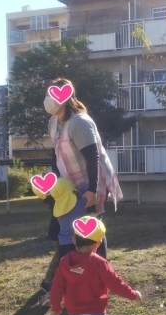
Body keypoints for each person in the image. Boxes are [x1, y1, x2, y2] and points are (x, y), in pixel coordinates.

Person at [42, 78, 123, 290]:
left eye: (52, 95)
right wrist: (54, 187)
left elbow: (93, 156)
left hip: (90, 183)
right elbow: (55, 156)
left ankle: (100, 279)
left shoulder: (79, 122)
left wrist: (92, 191)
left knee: (92, 231)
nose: (48, 99)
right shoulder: (54, 122)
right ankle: (62, 281)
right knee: (65, 233)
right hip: (69, 187)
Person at [32, 177, 90, 306]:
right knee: (77, 271)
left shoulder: (58, 210)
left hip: (63, 246)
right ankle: (76, 295)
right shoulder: (77, 208)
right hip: (74, 246)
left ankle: (51, 296)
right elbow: (88, 193)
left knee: (63, 273)